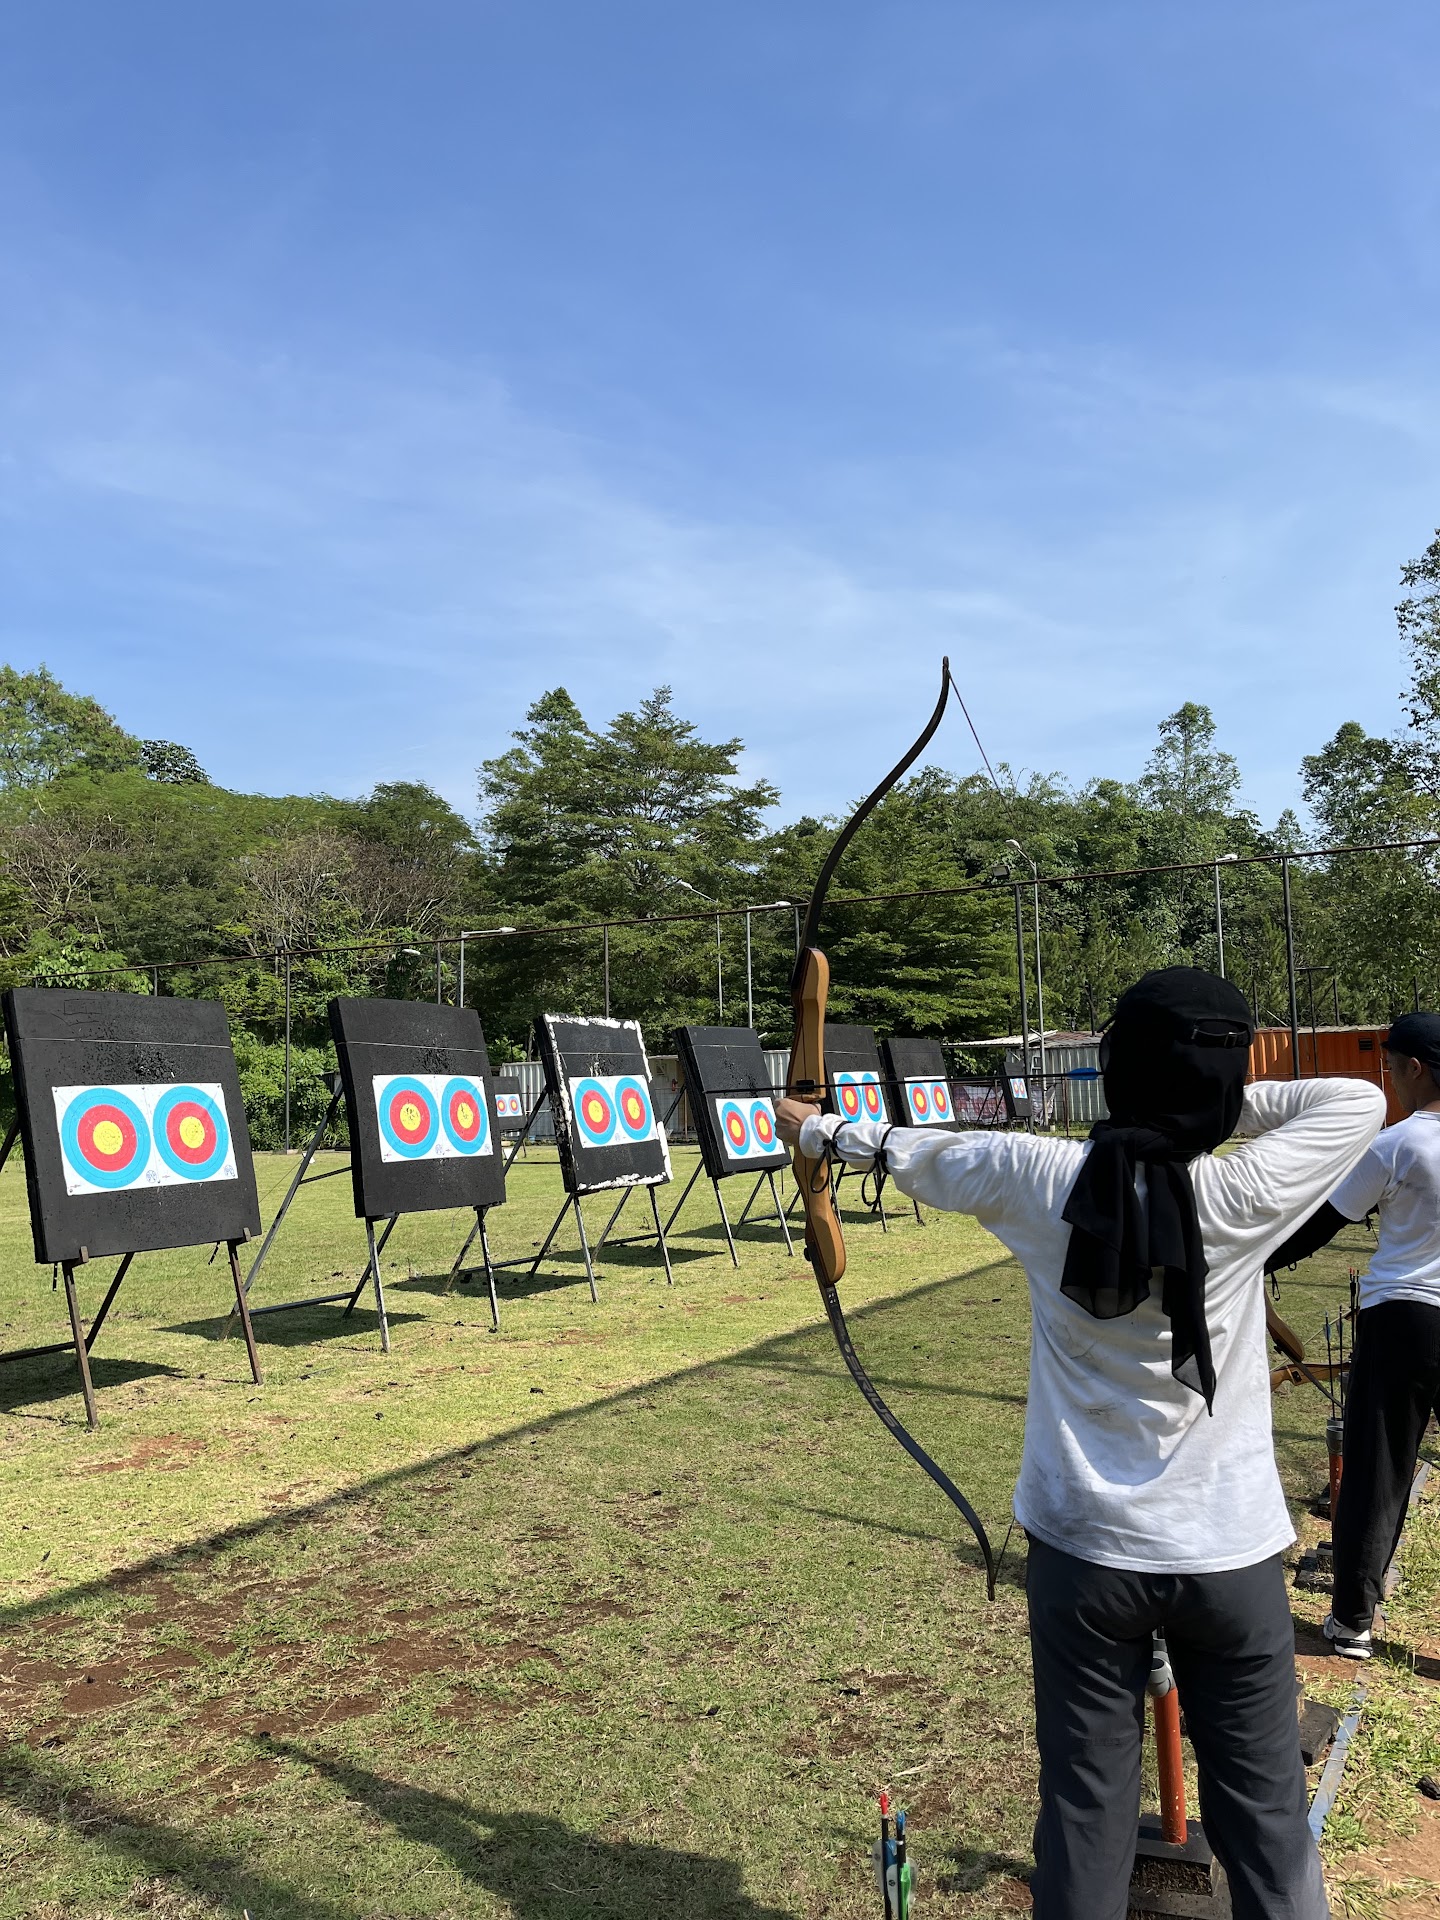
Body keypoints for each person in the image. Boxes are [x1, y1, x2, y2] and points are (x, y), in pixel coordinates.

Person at [775, 969, 1384, 1920]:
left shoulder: (1037, 1176)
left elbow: (914, 1150)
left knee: (1084, 1814)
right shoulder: (1245, 1186)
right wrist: (1214, 1098)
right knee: (1267, 1820)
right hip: (1228, 1555)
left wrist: (818, 1132)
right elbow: (1357, 1098)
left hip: (1083, 1553)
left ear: (1117, 1068)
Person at [1264, 1010, 1440, 1660]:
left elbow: (1320, 1224)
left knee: (1377, 1467)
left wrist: (1249, 1261)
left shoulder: (1400, 1144)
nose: (1390, 1081)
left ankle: (1352, 1622)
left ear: (1415, 1068)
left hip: (1404, 1321)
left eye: (1391, 1069)